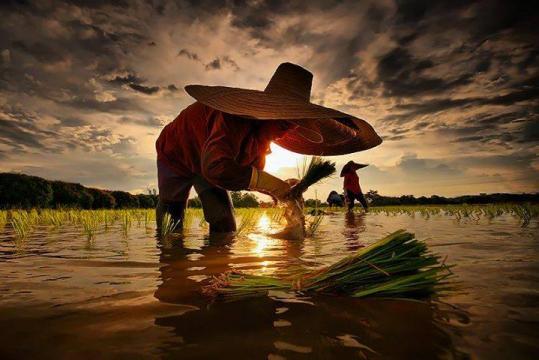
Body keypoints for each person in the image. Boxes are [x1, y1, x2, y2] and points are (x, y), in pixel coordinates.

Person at [156, 62, 382, 234]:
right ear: (266, 114)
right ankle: (173, 278)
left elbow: (247, 177)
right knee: (172, 218)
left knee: (224, 222)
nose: (286, 130)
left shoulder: (262, 139)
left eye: (292, 124)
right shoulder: (231, 119)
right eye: (283, 122)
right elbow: (217, 167)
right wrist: (275, 187)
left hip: (206, 162)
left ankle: (217, 283)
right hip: (175, 153)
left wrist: (285, 190)